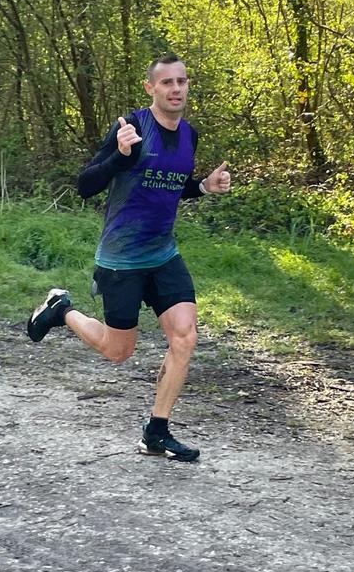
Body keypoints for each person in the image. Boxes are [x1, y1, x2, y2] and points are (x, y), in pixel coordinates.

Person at [27, 53, 231, 462]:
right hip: (121, 259)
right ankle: (61, 309)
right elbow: (86, 185)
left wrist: (203, 187)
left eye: (182, 81)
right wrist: (120, 156)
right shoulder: (133, 127)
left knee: (185, 336)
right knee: (119, 351)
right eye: (167, 82)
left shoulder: (189, 135)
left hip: (163, 254)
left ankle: (157, 432)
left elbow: (172, 185)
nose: (176, 89)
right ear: (150, 88)